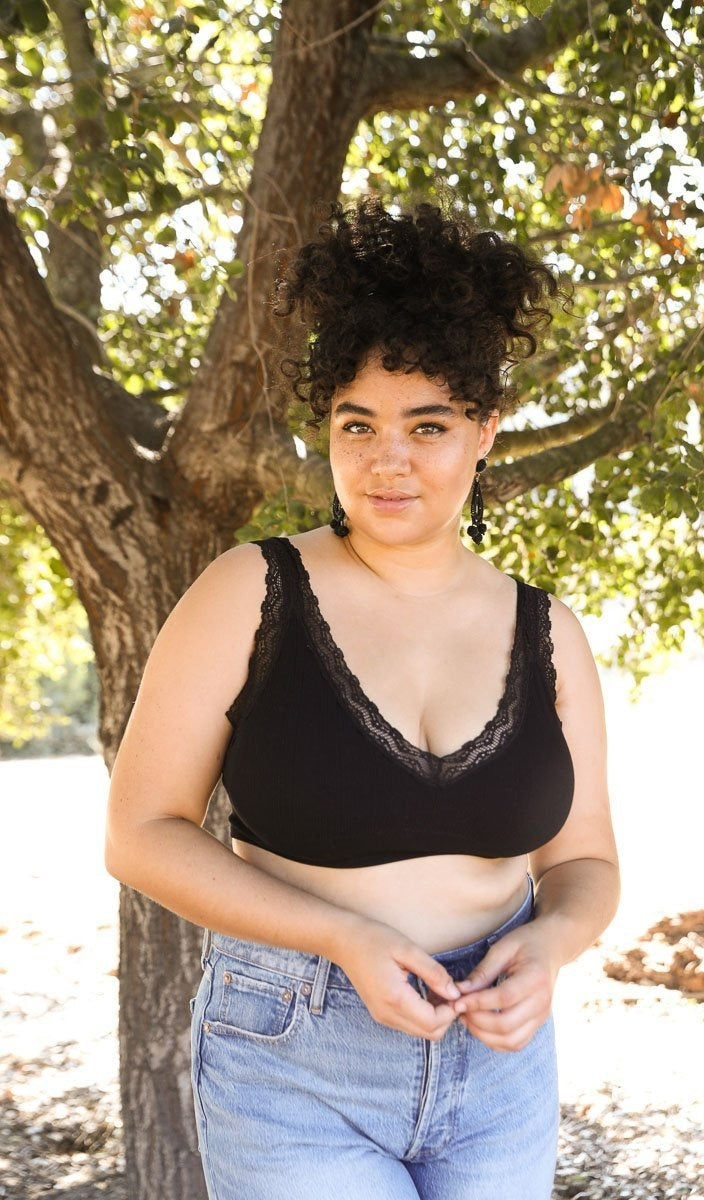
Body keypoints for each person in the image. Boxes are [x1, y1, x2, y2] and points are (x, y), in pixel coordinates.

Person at [105, 196, 620, 1200]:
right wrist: (342, 937)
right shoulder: (248, 593)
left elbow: (585, 860)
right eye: (358, 424)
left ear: (484, 432)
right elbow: (139, 835)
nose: (388, 460)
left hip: (499, 1067)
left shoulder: (548, 633)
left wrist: (551, 943)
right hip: (292, 1058)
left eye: (428, 426)